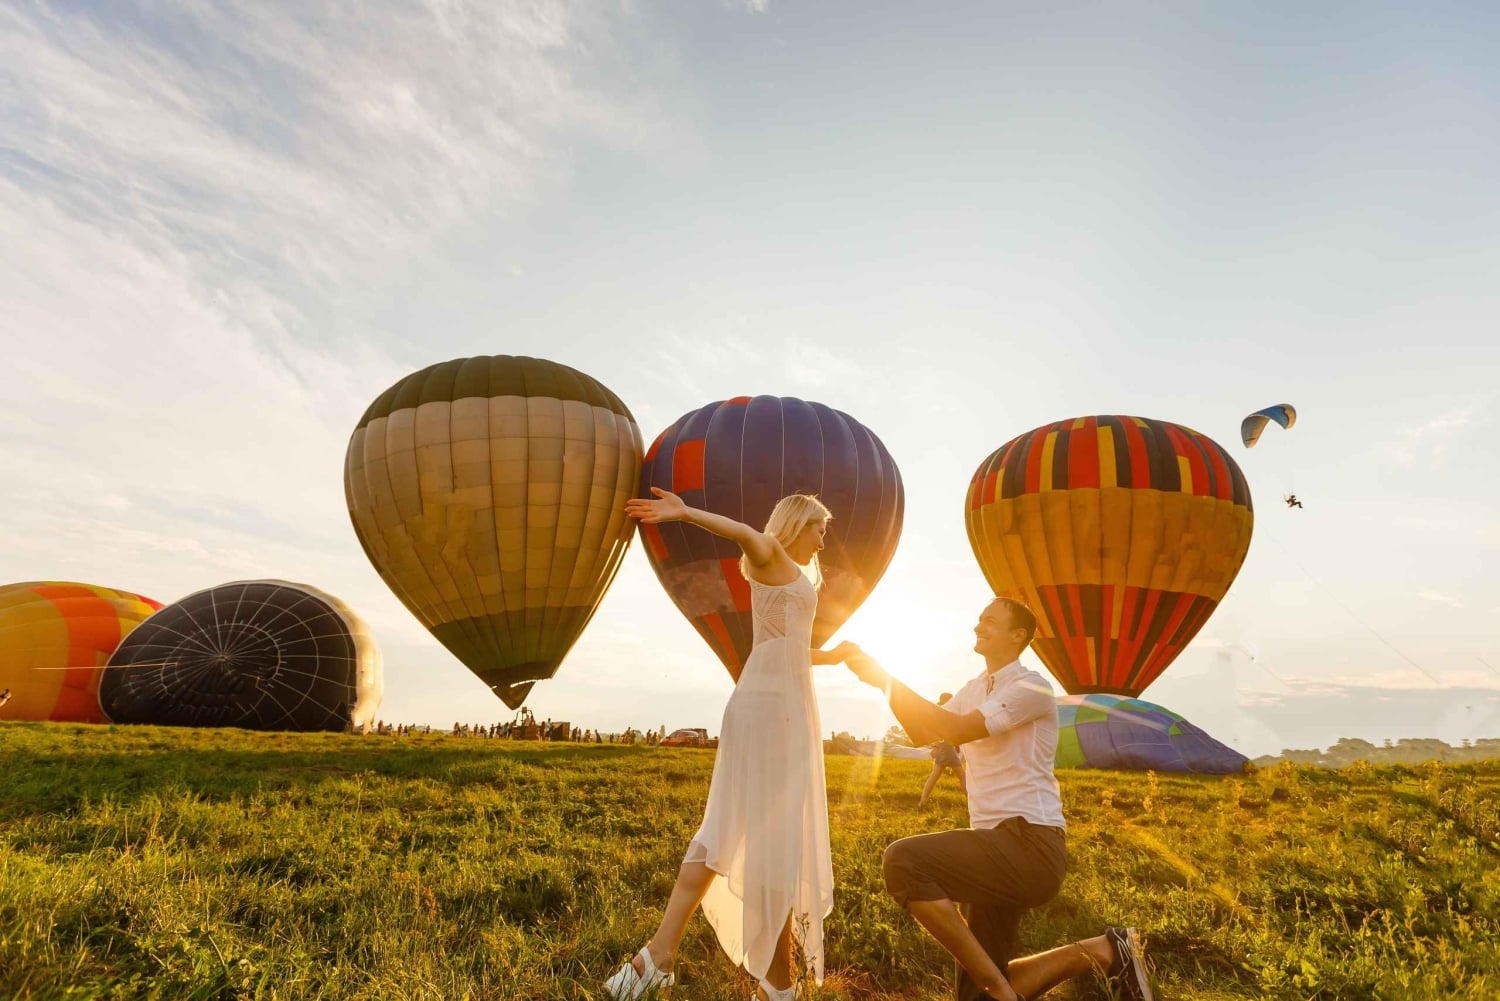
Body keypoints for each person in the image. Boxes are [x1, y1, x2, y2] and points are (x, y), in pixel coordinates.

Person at [604, 488, 855, 1001]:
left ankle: (657, 957)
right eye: (818, 529)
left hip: (774, 697)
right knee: (765, 830)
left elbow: (784, 648)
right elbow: (741, 532)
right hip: (771, 708)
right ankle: (774, 983)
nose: (822, 540)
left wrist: (836, 655)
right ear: (796, 523)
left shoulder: (788, 574)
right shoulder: (771, 550)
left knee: (731, 827)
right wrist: (685, 512)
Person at [844, 597, 1154, 1001]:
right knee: (975, 998)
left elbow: (955, 727)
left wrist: (883, 674)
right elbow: (924, 731)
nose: (978, 626)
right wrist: (879, 681)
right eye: (978, 620)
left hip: (1030, 845)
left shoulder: (1031, 687)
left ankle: (998, 988)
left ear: (1017, 635)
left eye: (989, 621)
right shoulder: (973, 689)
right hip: (992, 847)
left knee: (903, 861)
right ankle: (1108, 950)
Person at [918, 694, 968, 808]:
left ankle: (922, 801)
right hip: (947, 747)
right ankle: (971, 803)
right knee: (962, 775)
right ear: (944, 700)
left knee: (935, 776)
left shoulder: (938, 714)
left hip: (944, 747)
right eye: (950, 699)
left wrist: (936, 746)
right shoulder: (943, 714)